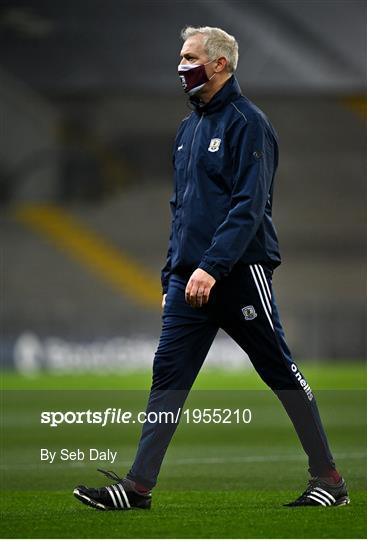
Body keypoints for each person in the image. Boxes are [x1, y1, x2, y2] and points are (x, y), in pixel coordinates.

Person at [74, 25, 349, 510]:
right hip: (188, 280)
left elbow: (249, 206)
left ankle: (329, 479)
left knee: (279, 371)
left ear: (219, 63)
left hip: (239, 273)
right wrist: (172, 274)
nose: (181, 66)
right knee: (168, 379)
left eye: (189, 57)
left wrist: (212, 267)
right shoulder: (188, 128)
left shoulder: (249, 122)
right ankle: (137, 489)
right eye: (180, 58)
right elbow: (182, 209)